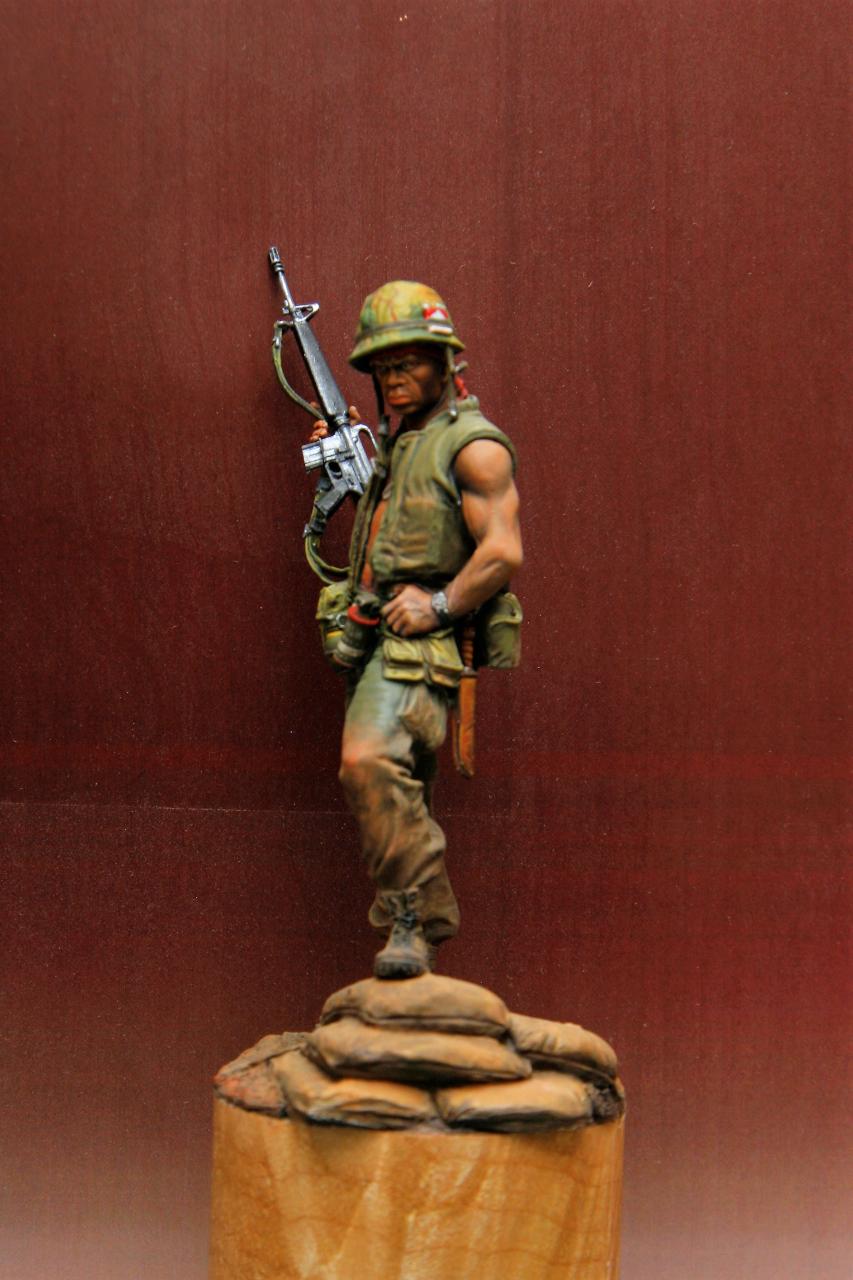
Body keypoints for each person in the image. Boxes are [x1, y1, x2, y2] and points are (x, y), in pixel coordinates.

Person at [311, 281, 522, 979]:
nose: (394, 378)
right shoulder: (401, 443)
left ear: (444, 363)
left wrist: (438, 605)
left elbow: (501, 552)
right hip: (373, 635)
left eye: (407, 363)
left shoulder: (474, 448)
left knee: (367, 762)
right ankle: (412, 928)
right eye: (382, 368)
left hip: (419, 643)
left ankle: (415, 917)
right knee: (397, 789)